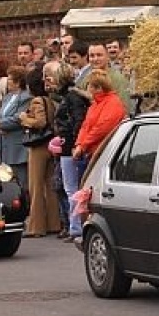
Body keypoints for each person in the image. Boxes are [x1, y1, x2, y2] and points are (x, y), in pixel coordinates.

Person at [50, 61, 91, 244]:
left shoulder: (71, 98)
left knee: (71, 188)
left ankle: (76, 227)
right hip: (70, 145)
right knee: (71, 187)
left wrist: (74, 142)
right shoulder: (73, 96)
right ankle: (75, 226)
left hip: (71, 147)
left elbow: (77, 120)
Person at [18, 67, 61, 237]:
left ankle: (37, 226)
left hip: (38, 147)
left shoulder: (36, 101)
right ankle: (54, 222)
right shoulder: (49, 100)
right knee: (50, 187)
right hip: (50, 145)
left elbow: (40, 122)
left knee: (35, 186)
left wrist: (24, 119)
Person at [72, 70, 128, 163]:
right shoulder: (96, 104)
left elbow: (102, 128)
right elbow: (85, 126)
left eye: (89, 85)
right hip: (93, 152)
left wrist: (83, 145)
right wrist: (80, 144)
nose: (87, 88)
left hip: (105, 153)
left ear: (98, 88)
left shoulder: (113, 103)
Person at [0, 65, 31, 188]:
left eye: (10, 79)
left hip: (18, 146)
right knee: (9, 182)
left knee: (23, 182)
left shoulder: (26, 97)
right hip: (5, 145)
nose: (7, 81)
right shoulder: (7, 97)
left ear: (18, 82)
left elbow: (19, 118)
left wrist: (1, 124)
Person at [84, 42, 132, 111]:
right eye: (92, 56)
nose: (95, 59)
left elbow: (125, 107)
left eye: (99, 55)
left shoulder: (118, 78)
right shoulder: (87, 77)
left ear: (107, 56)